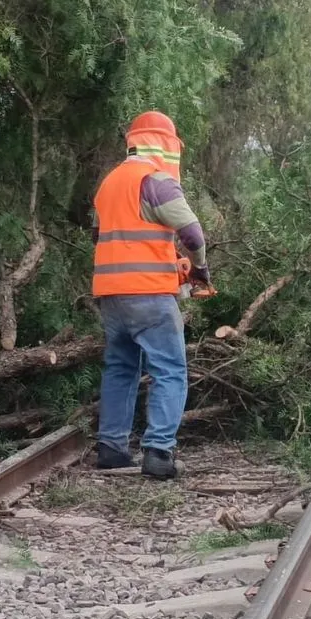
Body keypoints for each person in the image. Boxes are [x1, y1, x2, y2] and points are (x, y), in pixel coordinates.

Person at [90, 110, 208, 480]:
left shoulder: (108, 184)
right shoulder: (156, 181)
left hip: (110, 296)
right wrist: (200, 270)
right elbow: (193, 235)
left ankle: (111, 448)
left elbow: (106, 238)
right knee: (170, 370)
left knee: (121, 368)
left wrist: (166, 257)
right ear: (165, 146)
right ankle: (158, 453)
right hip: (151, 297)